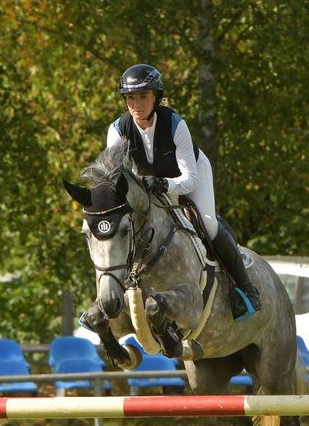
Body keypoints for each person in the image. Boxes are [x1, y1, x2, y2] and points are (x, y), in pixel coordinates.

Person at [106, 63, 260, 317]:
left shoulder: (176, 125)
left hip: (189, 174)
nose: (136, 104)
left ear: (156, 97)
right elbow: (116, 177)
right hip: (145, 184)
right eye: (130, 97)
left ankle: (245, 288)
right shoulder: (117, 131)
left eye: (143, 96)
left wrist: (164, 184)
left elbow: (189, 180)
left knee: (208, 224)